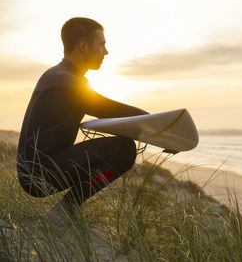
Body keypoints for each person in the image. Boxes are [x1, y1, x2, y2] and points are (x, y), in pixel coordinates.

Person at [16, 17, 147, 225]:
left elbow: (111, 111)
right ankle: (65, 210)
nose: (106, 51)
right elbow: (110, 109)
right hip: (39, 174)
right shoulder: (65, 81)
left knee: (120, 148)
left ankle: (66, 209)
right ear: (83, 46)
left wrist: (161, 130)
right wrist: (161, 127)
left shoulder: (60, 76)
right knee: (124, 151)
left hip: (37, 170)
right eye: (102, 44)